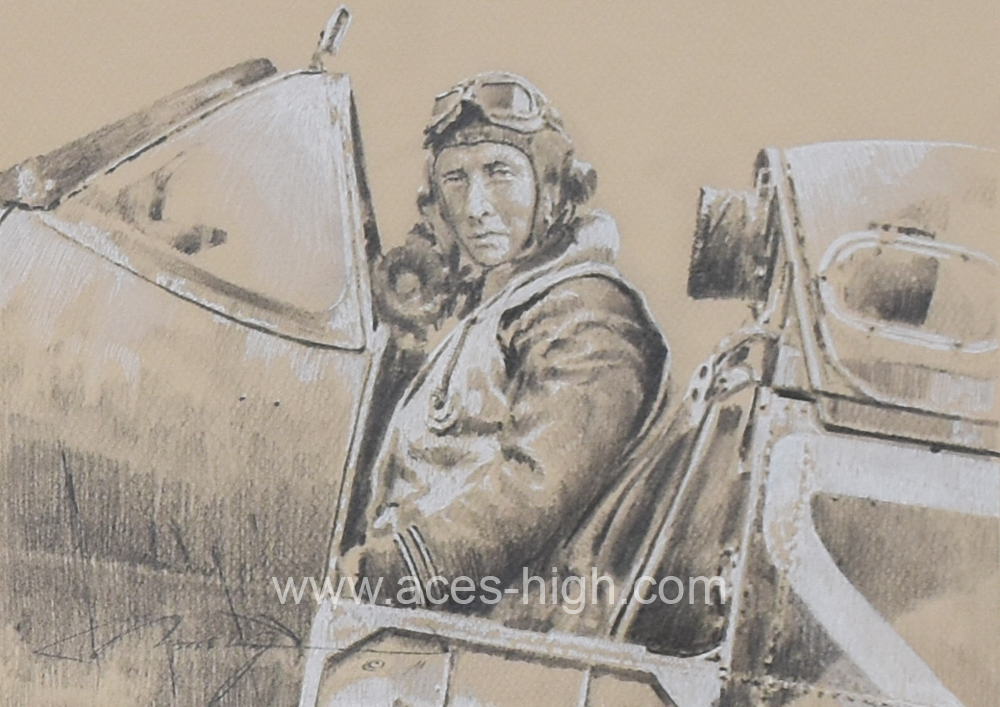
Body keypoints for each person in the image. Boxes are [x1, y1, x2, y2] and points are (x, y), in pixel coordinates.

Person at [344, 72, 669, 618]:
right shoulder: (495, 310)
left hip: (502, 639)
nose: (475, 206)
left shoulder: (584, 312)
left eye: (499, 173)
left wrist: (379, 573)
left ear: (550, 186)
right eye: (455, 179)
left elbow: (530, 494)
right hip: (422, 620)